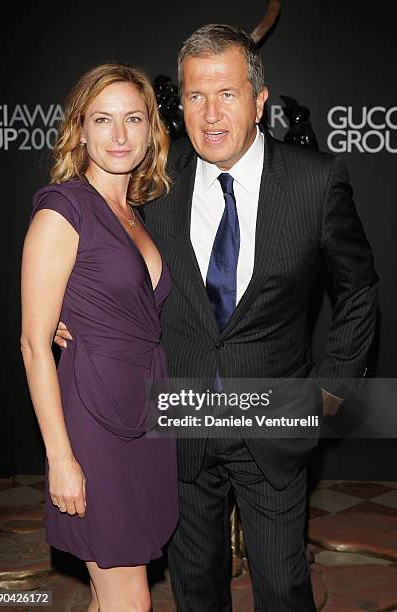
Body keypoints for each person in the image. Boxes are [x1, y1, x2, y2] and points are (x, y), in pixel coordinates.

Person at [54, 25, 378, 612]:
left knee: (283, 590)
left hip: (275, 422)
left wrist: (332, 390)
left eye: (227, 94)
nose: (209, 114)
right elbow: (96, 257)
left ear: (259, 100)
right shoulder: (154, 180)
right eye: (196, 96)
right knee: (195, 591)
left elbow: (359, 290)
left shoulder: (315, 181)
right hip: (180, 427)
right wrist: (64, 316)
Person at [21, 62, 178, 612]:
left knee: (111, 590)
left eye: (133, 119)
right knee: (129, 596)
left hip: (146, 412)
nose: (119, 135)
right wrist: (60, 457)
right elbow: (34, 343)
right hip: (94, 419)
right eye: (103, 120)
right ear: (80, 129)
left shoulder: (135, 211)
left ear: (150, 130)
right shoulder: (63, 209)